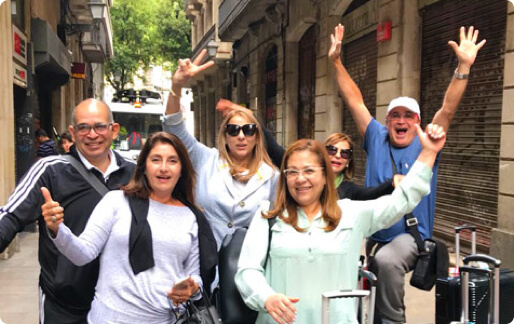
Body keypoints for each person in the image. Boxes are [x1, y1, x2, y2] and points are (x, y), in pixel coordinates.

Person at [328, 24, 486, 323]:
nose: (401, 121)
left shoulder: (427, 142)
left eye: (408, 116)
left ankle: (394, 322)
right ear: (387, 122)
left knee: (387, 262)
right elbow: (354, 99)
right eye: (395, 116)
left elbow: (448, 109)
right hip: (372, 232)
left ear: (417, 122)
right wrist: (336, 61)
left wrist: (463, 67)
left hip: (409, 237)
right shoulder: (376, 137)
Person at [235, 123, 446, 324]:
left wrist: (428, 154)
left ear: (326, 176)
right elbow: (247, 271)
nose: (300, 179)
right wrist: (266, 297)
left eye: (309, 171)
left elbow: (400, 201)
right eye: (292, 172)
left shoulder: (351, 213)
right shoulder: (268, 217)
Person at [41, 131, 217, 323]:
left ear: (182, 169)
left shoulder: (191, 217)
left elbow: (195, 276)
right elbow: (83, 253)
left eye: (172, 161)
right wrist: (58, 229)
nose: (164, 168)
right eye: (156, 159)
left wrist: (191, 288)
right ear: (143, 167)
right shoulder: (116, 202)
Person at [0, 99, 136, 323]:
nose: (92, 135)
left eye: (100, 126)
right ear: (72, 133)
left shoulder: (135, 173)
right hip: (64, 305)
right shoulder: (50, 170)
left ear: (113, 130)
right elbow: (10, 215)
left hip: (121, 306)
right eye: (83, 127)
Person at [163, 50, 279, 248]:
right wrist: (177, 85)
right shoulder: (206, 159)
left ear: (257, 137)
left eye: (248, 130)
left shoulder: (271, 176)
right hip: (202, 264)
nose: (241, 136)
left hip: (246, 268)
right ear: (225, 136)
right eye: (233, 130)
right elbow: (174, 129)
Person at [216, 98, 402, 201]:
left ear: (348, 163)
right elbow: (272, 146)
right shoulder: (300, 172)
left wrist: (392, 183)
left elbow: (370, 195)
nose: (337, 156)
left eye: (344, 153)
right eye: (332, 150)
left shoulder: (348, 190)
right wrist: (245, 115)